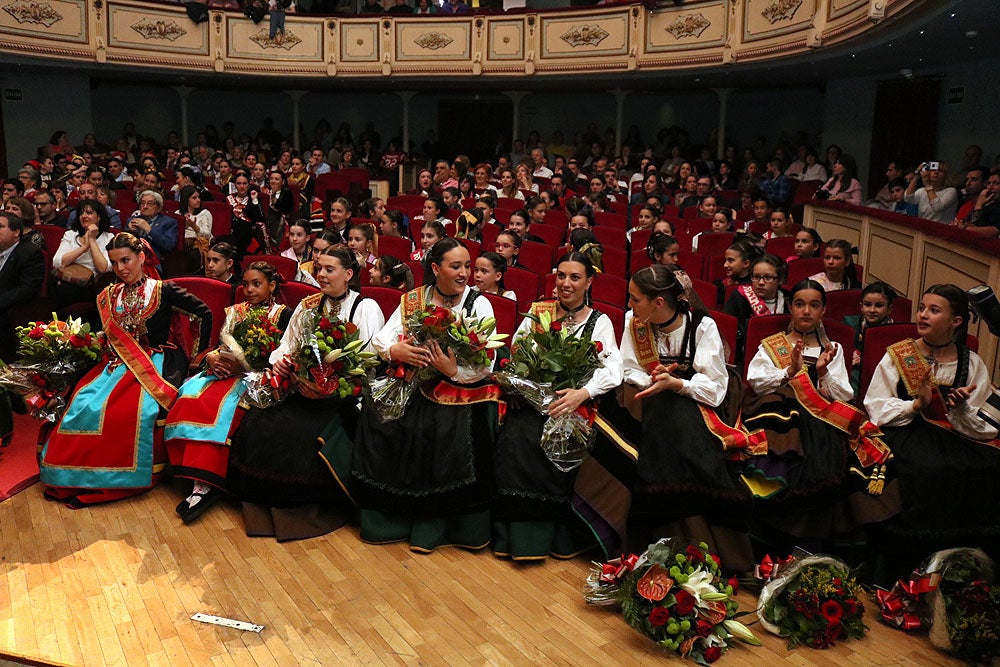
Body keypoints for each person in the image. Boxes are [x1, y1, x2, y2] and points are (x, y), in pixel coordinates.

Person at [39, 233, 213, 507]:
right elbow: (101, 335)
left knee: (134, 411)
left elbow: (204, 313)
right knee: (83, 405)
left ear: (142, 258)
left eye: (127, 260)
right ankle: (77, 474)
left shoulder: (162, 290)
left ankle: (122, 477)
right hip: (114, 363)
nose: (121, 268)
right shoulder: (108, 296)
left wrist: (196, 361)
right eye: (115, 262)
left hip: (153, 363)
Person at [228, 246, 384, 540]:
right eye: (319, 268)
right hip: (303, 388)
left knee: (299, 433)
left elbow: (367, 363)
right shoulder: (307, 305)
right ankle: (262, 506)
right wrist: (283, 363)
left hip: (343, 397)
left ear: (348, 274)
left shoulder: (366, 307)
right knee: (260, 421)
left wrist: (328, 386)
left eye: (329, 269)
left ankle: (299, 509)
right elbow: (285, 347)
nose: (321, 275)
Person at [352, 238, 498, 552]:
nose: (464, 273)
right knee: (377, 415)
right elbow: (382, 340)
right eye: (455, 266)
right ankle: (391, 518)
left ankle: (442, 524)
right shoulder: (415, 299)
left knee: (439, 427)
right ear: (435, 268)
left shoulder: (478, 303)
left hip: (459, 387)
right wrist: (395, 349)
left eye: (467, 266)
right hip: (415, 382)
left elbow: (488, 363)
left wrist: (452, 369)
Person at [613, 265, 753, 570]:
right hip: (645, 395)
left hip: (693, 400)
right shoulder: (633, 322)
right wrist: (652, 379)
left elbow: (715, 388)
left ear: (658, 303)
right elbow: (627, 368)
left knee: (685, 441)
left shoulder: (702, 327)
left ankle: (694, 542)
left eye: (635, 300)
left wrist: (677, 383)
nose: (629, 306)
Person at [742, 280, 894, 554]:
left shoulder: (832, 349)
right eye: (800, 304)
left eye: (814, 305)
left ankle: (810, 542)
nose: (806, 312)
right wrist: (789, 371)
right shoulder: (772, 345)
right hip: (777, 411)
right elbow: (756, 382)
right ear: (790, 307)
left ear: (824, 310)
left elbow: (843, 393)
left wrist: (822, 372)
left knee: (826, 454)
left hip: (820, 415)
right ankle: (768, 539)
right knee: (788, 448)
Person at [493, 253, 622, 560]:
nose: (566, 284)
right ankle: (511, 536)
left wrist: (582, 392)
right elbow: (517, 352)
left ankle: (553, 537)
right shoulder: (538, 312)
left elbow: (613, 369)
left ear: (589, 282)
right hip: (533, 401)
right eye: (561, 276)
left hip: (573, 403)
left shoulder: (598, 321)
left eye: (575, 277)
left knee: (559, 445)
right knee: (516, 437)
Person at [864, 284, 1000, 575]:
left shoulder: (971, 363)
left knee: (988, 466)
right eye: (922, 307)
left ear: (956, 322)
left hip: (956, 435)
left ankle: (965, 563)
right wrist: (915, 405)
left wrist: (960, 408)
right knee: (929, 468)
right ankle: (911, 561)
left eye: (934, 310)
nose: (923, 315)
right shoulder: (898, 356)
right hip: (904, 432)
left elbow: (985, 429)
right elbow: (875, 406)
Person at [165, 262, 293, 523]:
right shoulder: (235, 312)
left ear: (272, 286)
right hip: (223, 371)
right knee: (188, 398)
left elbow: (284, 354)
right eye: (245, 284)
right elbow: (219, 345)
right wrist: (212, 358)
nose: (249, 290)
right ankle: (189, 475)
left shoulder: (284, 315)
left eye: (257, 284)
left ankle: (205, 484)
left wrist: (249, 364)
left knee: (219, 410)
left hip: (257, 377)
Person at [52, 199, 115, 313]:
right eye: (81, 213)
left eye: (89, 213)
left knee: (62, 292)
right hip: (66, 278)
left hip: (90, 285)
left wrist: (92, 240)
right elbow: (57, 262)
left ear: (99, 217)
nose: (84, 216)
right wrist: (84, 248)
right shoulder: (70, 235)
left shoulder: (108, 237)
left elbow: (104, 268)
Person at [724, 253, 788, 364]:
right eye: (756, 277)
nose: (761, 283)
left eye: (767, 278)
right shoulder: (739, 297)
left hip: (781, 358)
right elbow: (729, 335)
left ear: (780, 280)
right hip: (745, 358)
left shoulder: (788, 299)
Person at [0, 211, 45, 361]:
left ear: (16, 231)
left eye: (0, 227)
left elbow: (27, 289)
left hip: (12, 310)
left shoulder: (29, 253)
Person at [843, 281, 895, 393]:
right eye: (867, 305)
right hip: (854, 375)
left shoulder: (894, 331)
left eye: (879, 306)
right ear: (861, 307)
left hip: (881, 377)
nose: (872, 310)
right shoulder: (850, 324)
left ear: (889, 309)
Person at [125, 190, 177, 260]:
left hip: (152, 259)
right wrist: (129, 231)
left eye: (150, 203)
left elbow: (168, 246)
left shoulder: (169, 222)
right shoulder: (132, 220)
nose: (145, 206)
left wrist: (149, 230)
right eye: (142, 203)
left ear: (158, 207)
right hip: (130, 256)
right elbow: (122, 243)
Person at [226, 174, 269, 254]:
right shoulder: (229, 199)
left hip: (248, 233)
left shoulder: (253, 198)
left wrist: (254, 200)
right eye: (239, 183)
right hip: (232, 231)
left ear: (249, 185)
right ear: (235, 185)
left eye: (244, 183)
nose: (242, 186)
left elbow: (259, 218)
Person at [714, 239, 758, 306]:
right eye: (726, 260)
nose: (725, 265)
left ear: (746, 263)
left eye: (730, 261)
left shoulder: (757, 289)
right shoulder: (720, 287)